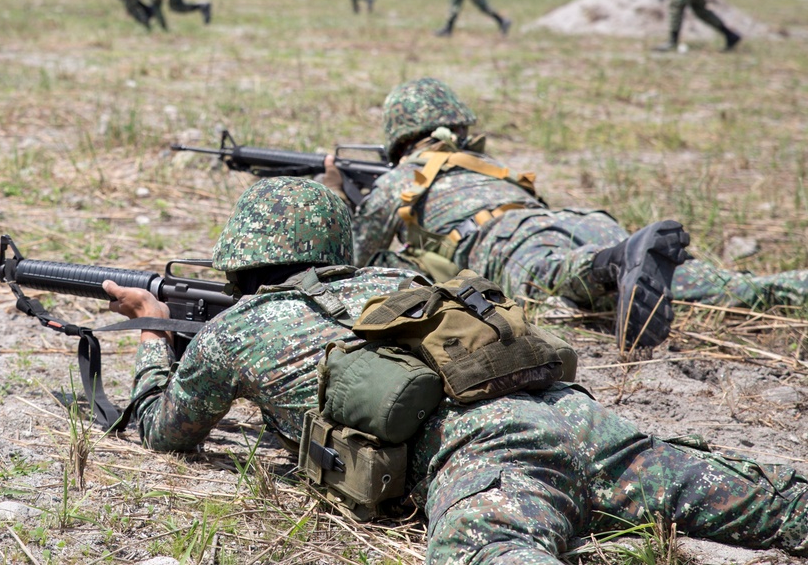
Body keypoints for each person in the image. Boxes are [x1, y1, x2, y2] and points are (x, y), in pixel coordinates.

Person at [104, 176, 808, 564]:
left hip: (489, 462)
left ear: (237, 255)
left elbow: (166, 432)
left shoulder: (233, 331)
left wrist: (148, 330)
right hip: (576, 414)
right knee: (778, 503)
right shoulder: (395, 281)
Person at [331, 78, 808, 348]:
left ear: (398, 135)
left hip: (504, 238)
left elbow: (352, 258)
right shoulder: (482, 164)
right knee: (709, 285)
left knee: (559, 276)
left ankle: (614, 261)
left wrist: (340, 194)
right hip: (571, 219)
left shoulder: (402, 177)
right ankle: (783, 287)